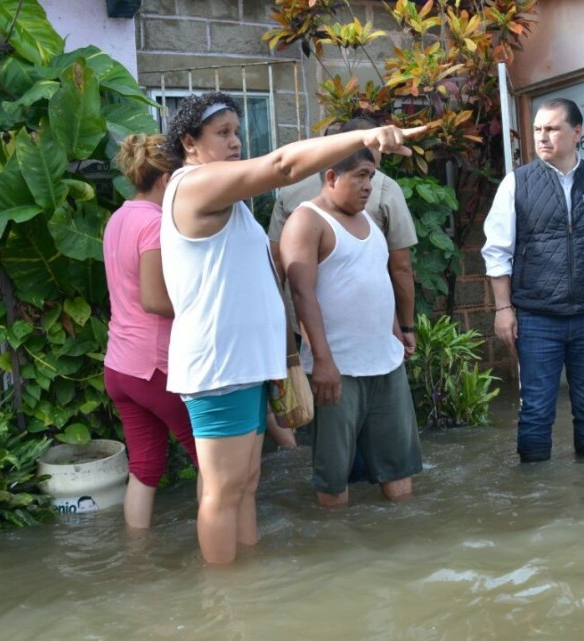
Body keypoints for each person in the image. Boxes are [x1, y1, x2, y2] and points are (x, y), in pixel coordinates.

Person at [160, 92, 423, 564]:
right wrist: (364, 135)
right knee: (222, 492)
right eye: (223, 134)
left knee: (244, 486)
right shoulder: (194, 186)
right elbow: (282, 165)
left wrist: (282, 360)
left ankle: (247, 587)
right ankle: (222, 604)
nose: (236, 142)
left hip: (243, 365)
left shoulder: (229, 202)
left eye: (238, 132)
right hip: (219, 367)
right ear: (189, 143)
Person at [481, 98, 584, 464]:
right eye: (538, 129)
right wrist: (503, 309)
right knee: (536, 411)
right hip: (538, 319)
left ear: (576, 132)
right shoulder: (516, 184)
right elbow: (497, 252)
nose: (543, 137)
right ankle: (536, 500)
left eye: (552, 129)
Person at [279, 147, 423, 507]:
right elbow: (301, 293)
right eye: (360, 175)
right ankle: (337, 546)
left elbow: (378, 281)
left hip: (385, 364)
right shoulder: (306, 220)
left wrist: (396, 331)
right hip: (338, 371)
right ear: (331, 177)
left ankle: (407, 547)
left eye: (371, 177)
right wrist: (323, 361)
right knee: (334, 475)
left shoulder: (370, 223)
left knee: (399, 468)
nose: (368, 186)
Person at [103, 133, 200, 530]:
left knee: (145, 466)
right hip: (155, 366)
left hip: (120, 366)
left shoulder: (119, 217)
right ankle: (221, 551)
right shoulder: (156, 224)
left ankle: (137, 559)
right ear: (166, 180)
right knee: (209, 458)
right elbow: (155, 300)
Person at [268, 116, 419, 356]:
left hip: (302, 331)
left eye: (372, 174)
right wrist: (406, 326)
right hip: (362, 335)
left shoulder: (292, 187)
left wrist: (278, 328)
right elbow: (400, 267)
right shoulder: (385, 188)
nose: (368, 183)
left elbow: (276, 263)